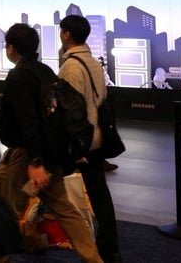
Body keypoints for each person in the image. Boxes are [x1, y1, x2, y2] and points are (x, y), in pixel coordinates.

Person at [0, 24, 102, 262]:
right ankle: (93, 258)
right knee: (64, 209)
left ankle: (1, 257)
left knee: (6, 209)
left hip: (27, 158)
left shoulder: (19, 76)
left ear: (12, 48)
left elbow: (28, 123)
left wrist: (35, 163)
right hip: (50, 156)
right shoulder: (45, 71)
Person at [58, 15, 122, 263]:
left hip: (79, 143)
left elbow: (69, 110)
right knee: (99, 194)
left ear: (66, 35)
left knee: (47, 187)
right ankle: (109, 248)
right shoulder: (94, 63)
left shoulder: (71, 67)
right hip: (95, 139)